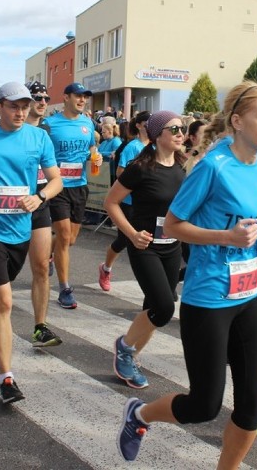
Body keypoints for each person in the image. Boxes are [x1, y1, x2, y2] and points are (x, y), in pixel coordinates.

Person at [116, 82, 257, 469]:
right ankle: (139, 416)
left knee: (252, 404)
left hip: (249, 294)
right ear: (237, 121)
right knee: (203, 405)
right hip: (210, 297)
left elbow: (249, 220)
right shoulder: (212, 166)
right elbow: (173, 224)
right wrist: (227, 236)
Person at [0, 82, 63, 403]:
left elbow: (56, 179)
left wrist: (40, 197)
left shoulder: (39, 137)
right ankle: (7, 379)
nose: (20, 111)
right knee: (5, 300)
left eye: (25, 105)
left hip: (20, 229)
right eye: (13, 105)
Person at [104, 110, 186, 389]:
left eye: (182, 128)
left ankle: (130, 359)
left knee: (152, 307)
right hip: (145, 245)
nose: (180, 134)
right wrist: (131, 234)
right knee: (164, 308)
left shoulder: (182, 166)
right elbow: (111, 202)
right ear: (157, 135)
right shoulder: (141, 167)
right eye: (173, 129)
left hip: (172, 247)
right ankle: (124, 347)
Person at [45, 82, 97, 309]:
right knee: (64, 236)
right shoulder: (50, 124)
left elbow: (92, 149)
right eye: (78, 96)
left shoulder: (88, 123)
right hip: (57, 186)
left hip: (80, 185)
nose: (82, 100)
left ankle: (47, 251)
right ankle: (65, 288)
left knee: (71, 239)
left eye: (85, 97)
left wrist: (95, 157)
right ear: (66, 98)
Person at [99, 110, 151, 291]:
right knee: (123, 240)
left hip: (146, 203)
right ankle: (106, 268)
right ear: (138, 125)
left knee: (147, 241)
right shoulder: (132, 147)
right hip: (128, 201)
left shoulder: (154, 146)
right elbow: (120, 172)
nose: (150, 126)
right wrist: (137, 180)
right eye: (147, 123)